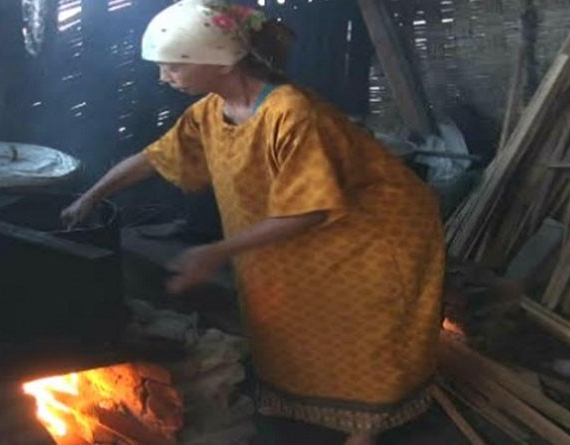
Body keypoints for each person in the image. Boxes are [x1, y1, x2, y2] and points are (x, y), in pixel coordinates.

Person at [61, 1, 445, 444]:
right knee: (293, 314)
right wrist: (91, 197)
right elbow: (154, 157)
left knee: (364, 325)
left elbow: (310, 209)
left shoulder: (292, 113)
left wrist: (216, 251)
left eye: (172, 67)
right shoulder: (210, 112)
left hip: (374, 232)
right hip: (303, 228)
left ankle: (368, 426)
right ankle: (307, 406)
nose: (163, 77)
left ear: (220, 63)